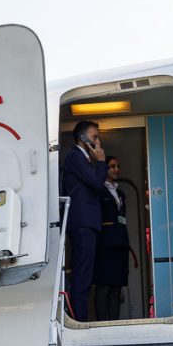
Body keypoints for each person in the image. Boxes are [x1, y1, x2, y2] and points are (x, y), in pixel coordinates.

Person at [62, 121, 109, 321]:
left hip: (87, 221)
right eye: (95, 136)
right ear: (82, 138)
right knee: (82, 272)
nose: (98, 141)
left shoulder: (84, 159)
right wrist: (101, 161)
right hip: (82, 221)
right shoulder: (75, 156)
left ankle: (80, 316)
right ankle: (78, 319)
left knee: (86, 271)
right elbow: (97, 183)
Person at [94, 156, 131, 320]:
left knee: (117, 286)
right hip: (105, 244)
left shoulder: (121, 193)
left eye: (118, 166)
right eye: (112, 166)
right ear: (104, 169)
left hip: (121, 243)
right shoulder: (97, 190)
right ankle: (101, 324)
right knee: (104, 286)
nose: (117, 169)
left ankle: (114, 323)